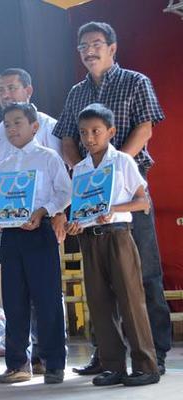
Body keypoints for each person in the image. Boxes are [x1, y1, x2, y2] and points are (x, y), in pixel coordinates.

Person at [53, 21, 170, 375]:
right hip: (90, 193)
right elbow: (66, 139)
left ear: (113, 47)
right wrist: (83, 171)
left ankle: (155, 352)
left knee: (144, 271)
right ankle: (107, 355)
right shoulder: (75, 93)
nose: (89, 50)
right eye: (83, 46)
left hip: (127, 183)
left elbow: (145, 127)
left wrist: (115, 168)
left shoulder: (135, 81)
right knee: (101, 281)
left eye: (96, 43)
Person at [65, 103, 160, 387]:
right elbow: (80, 209)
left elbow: (144, 202)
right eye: (83, 133)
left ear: (111, 131)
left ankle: (146, 366)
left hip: (118, 234)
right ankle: (113, 366)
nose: (89, 138)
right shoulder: (80, 168)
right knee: (99, 303)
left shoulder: (122, 162)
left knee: (131, 301)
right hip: (89, 238)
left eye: (96, 131)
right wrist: (74, 223)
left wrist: (113, 207)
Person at [0, 68, 64, 374]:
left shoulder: (49, 143)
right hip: (10, 233)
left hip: (41, 229)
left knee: (47, 298)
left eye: (11, 88)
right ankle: (18, 363)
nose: (5, 94)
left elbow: (63, 188)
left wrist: (49, 213)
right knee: (14, 300)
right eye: (0, 89)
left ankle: (53, 361)